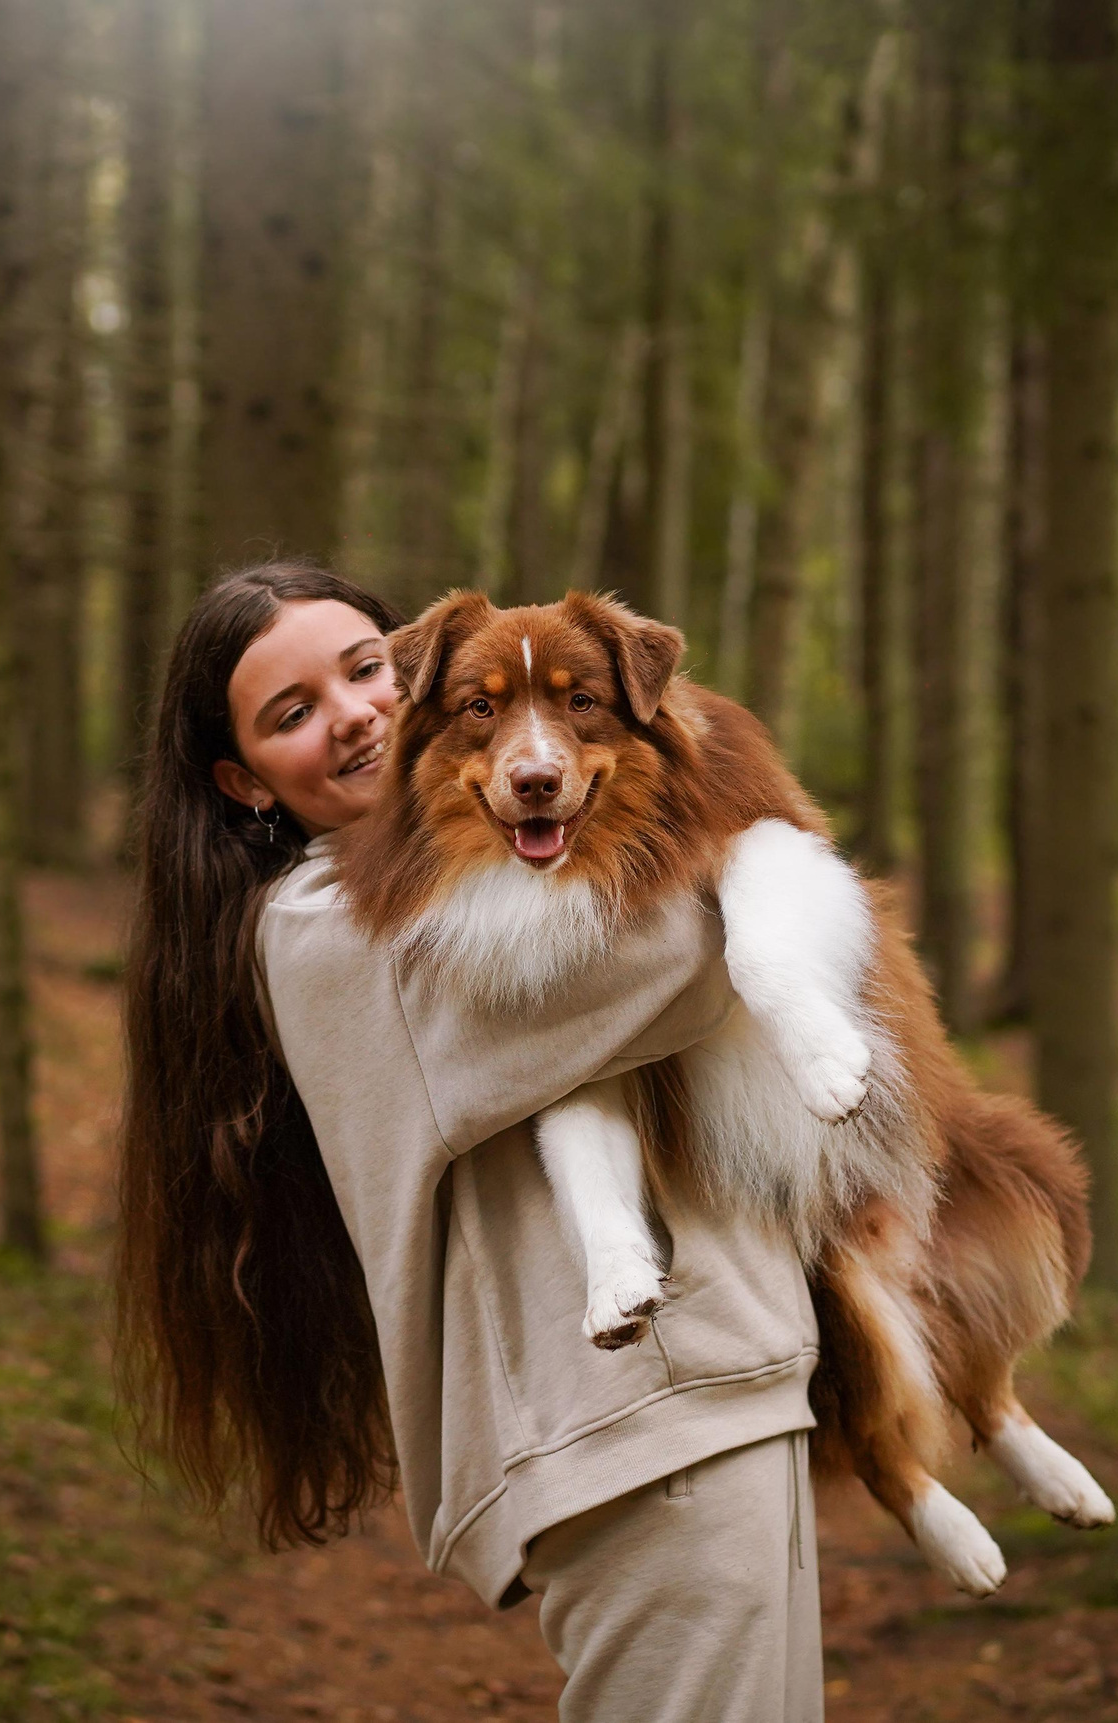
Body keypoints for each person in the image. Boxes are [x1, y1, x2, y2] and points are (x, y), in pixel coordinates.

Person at [115, 562, 826, 1723]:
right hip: (628, 1425)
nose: (351, 713)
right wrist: (757, 859)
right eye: (292, 714)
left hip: (718, 1383)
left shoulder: (469, 867)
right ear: (245, 783)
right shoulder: (328, 929)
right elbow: (675, 963)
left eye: (364, 670)